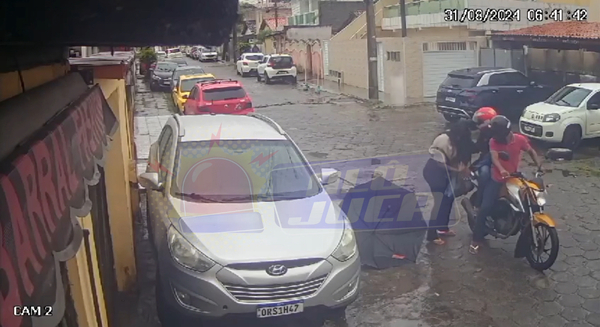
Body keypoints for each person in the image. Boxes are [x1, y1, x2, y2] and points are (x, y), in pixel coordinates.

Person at [470, 115, 542, 254]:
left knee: (530, 198)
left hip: (514, 176)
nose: (496, 137)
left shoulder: (520, 139)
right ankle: (476, 240)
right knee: (485, 208)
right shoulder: (493, 142)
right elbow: (494, 158)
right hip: (497, 178)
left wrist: (538, 164)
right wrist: (502, 170)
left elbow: (531, 151)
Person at [423, 120, 473, 245]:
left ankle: (442, 227)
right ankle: (431, 235)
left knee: (448, 199)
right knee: (439, 203)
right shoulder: (442, 140)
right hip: (434, 173)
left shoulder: (461, 142)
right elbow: (439, 163)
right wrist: (457, 170)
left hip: (448, 174)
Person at [471, 107, 497, 206]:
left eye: (480, 121)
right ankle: (479, 202)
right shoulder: (483, 132)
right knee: (484, 175)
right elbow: (478, 147)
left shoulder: (498, 132)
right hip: (486, 161)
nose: (478, 124)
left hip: (499, 161)